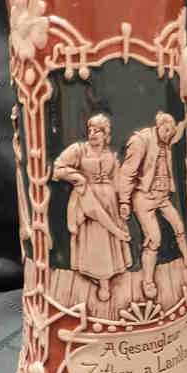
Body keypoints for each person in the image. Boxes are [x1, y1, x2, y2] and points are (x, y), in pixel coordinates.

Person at [52, 113, 132, 301]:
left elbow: (118, 180)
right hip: (87, 199)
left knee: (108, 241)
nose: (93, 134)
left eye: (98, 131)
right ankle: (102, 283)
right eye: (90, 130)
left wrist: (124, 202)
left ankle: (106, 278)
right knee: (96, 239)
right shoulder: (79, 150)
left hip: (109, 202)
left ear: (106, 135)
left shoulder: (110, 154)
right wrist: (77, 177)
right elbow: (57, 168)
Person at [118, 111, 187, 300]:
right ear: (159, 126)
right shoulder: (141, 141)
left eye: (171, 133)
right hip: (144, 198)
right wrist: (124, 201)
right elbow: (127, 173)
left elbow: (176, 134)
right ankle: (148, 282)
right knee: (154, 240)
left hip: (163, 196)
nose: (168, 136)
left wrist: (185, 120)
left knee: (179, 226)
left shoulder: (167, 137)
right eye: (166, 131)